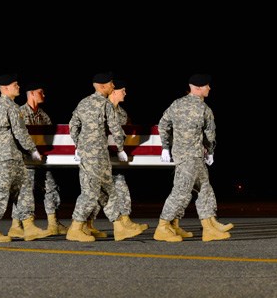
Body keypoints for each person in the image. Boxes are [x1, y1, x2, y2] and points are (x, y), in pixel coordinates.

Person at [154, 73, 232, 242]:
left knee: (204, 188)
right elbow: (210, 134)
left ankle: (209, 224)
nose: (209, 88)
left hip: (189, 154)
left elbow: (163, 125)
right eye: (207, 86)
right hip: (190, 156)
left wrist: (166, 147)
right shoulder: (204, 108)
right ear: (198, 88)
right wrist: (211, 151)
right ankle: (163, 226)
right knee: (181, 191)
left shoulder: (176, 104)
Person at [66, 72, 143, 242]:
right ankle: (76, 227)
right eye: (110, 84)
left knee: (109, 191)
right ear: (102, 86)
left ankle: (119, 227)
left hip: (93, 154)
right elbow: (116, 128)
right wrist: (121, 149)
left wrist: (79, 144)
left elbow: (73, 125)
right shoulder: (105, 104)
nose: (113, 87)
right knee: (90, 192)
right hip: (97, 155)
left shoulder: (83, 103)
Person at [0, 73, 51, 242]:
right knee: (0, 192)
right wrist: (33, 150)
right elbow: (20, 132)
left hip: (8, 156)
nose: (18, 87)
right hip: (4, 157)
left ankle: (28, 227)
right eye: (15, 85)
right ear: (5, 88)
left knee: (24, 190)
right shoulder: (10, 107)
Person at [86, 79, 148, 237]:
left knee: (120, 186)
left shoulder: (122, 113)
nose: (125, 93)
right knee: (98, 193)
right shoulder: (99, 106)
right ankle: (87, 224)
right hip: (98, 157)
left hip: (114, 159)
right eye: (123, 90)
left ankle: (125, 220)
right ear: (114, 91)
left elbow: (125, 134)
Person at [6, 82, 69, 238]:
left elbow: (49, 138)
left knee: (51, 187)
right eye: (41, 92)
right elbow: (16, 138)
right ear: (32, 93)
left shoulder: (43, 115)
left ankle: (53, 223)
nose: (44, 95)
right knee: (25, 192)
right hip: (25, 161)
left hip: (43, 160)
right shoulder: (20, 112)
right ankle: (16, 224)